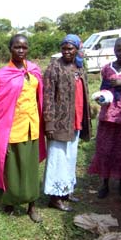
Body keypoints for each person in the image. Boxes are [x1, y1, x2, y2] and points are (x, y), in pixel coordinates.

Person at [0, 34, 46, 223]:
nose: (21, 50)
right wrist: (0, 129)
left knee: (30, 168)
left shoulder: (34, 70)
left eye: (24, 47)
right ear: (10, 49)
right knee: (12, 167)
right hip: (13, 127)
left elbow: (40, 98)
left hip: (32, 126)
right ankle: (10, 201)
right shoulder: (3, 75)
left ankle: (32, 205)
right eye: (17, 47)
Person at [88, 37, 121, 205]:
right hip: (107, 117)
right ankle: (104, 184)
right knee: (105, 150)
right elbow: (104, 89)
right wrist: (101, 97)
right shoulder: (106, 69)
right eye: (118, 49)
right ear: (114, 50)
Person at [42, 34, 91, 212]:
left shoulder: (79, 67)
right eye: (64, 48)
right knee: (57, 159)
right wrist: (49, 124)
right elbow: (47, 98)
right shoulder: (54, 68)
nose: (67, 51)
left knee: (70, 158)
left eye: (70, 48)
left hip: (75, 121)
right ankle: (54, 197)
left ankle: (66, 191)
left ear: (77, 49)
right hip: (59, 124)